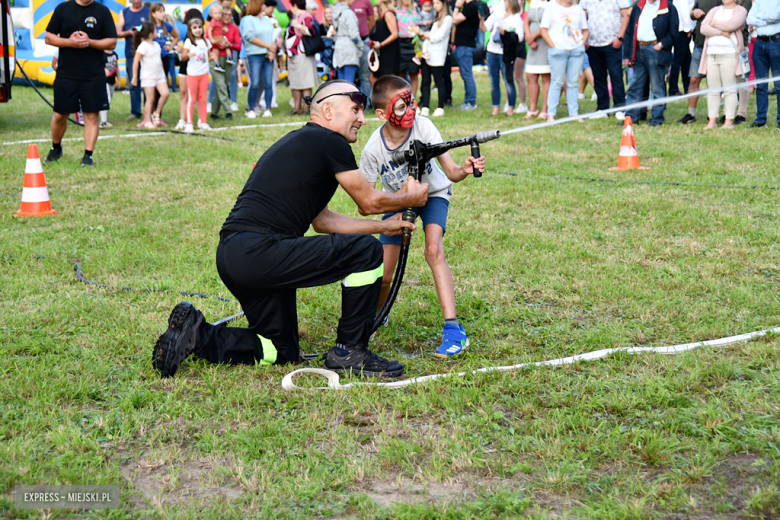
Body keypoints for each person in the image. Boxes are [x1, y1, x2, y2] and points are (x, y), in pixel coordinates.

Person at [152, 80, 430, 380]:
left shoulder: (299, 142)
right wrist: (409, 198)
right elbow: (367, 201)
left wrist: (384, 224)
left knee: (280, 349)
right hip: (261, 252)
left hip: (234, 257)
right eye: (355, 110)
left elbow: (321, 221)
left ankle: (197, 335)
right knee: (367, 251)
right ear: (327, 110)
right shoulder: (329, 141)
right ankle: (350, 350)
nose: (362, 119)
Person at [360, 76, 485, 358]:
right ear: (381, 114)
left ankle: (454, 330)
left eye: (410, 102)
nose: (410, 111)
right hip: (397, 200)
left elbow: (451, 172)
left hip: (433, 194)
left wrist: (465, 169)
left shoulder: (424, 126)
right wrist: (399, 201)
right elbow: (366, 201)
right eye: (401, 107)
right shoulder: (372, 150)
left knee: (433, 250)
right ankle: (379, 314)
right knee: (384, 274)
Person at [43, 0, 117, 167]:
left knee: (92, 116)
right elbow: (48, 37)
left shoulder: (102, 11)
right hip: (66, 73)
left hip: (93, 75)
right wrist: (70, 42)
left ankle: (88, 156)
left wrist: (89, 42)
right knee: (60, 115)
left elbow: (112, 42)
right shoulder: (63, 9)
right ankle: (56, 147)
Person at [623, 0, 679, 127]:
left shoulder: (668, 7)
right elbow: (630, 32)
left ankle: (657, 117)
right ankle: (631, 117)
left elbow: (674, 33)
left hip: (655, 49)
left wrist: (661, 44)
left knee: (657, 85)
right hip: (638, 49)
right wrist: (627, 55)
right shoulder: (638, 6)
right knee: (635, 85)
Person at [698, 0, 747, 129]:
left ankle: (728, 122)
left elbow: (732, 25)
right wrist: (720, 32)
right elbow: (703, 27)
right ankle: (712, 121)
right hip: (712, 54)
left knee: (729, 89)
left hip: (730, 54)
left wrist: (713, 23)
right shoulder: (714, 10)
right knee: (713, 89)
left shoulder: (740, 11)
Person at [580, 0, 631, 119]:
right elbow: (582, 19)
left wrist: (620, 37)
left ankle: (619, 108)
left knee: (616, 76)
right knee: (598, 78)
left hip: (612, 43)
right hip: (593, 44)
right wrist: (583, 40)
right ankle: (602, 108)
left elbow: (625, 16)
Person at [540, 0, 589, 122]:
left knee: (573, 82)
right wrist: (553, 46)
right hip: (558, 50)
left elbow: (585, 30)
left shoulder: (578, 9)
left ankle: (574, 113)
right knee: (557, 81)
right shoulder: (552, 6)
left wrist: (581, 44)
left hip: (576, 50)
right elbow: (543, 29)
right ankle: (551, 114)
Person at [678, 0, 720, 124]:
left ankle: (713, 114)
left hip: (716, 44)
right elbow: (692, 13)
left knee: (714, 81)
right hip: (699, 44)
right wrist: (693, 13)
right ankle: (691, 113)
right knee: (694, 79)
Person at [485, 0, 523, 117]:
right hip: (492, 51)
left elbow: (519, 37)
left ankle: (510, 108)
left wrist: (505, 33)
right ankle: (495, 108)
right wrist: (482, 18)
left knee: (508, 80)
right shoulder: (496, 14)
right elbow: (485, 28)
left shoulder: (516, 18)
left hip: (505, 53)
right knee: (493, 81)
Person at [746, 0, 780, 129]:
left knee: (779, 84)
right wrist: (765, 21)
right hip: (760, 44)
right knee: (761, 84)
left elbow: (775, 17)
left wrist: (759, 18)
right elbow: (750, 19)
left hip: (776, 42)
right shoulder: (759, 1)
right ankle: (761, 120)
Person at [242, 0, 278, 118]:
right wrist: (269, 47)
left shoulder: (267, 20)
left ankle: (268, 108)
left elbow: (272, 36)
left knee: (268, 82)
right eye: (262, 4)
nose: (264, 6)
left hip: (268, 55)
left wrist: (272, 51)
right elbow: (250, 37)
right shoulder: (248, 20)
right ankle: (251, 108)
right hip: (255, 55)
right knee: (255, 82)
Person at [116, 0, 149, 123]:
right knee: (134, 82)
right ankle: (135, 112)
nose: (136, 1)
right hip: (131, 53)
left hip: (148, 53)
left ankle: (149, 110)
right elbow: (118, 32)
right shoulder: (124, 12)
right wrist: (129, 32)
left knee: (148, 83)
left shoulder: (148, 11)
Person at [132, 22, 170, 129]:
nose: (157, 32)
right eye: (155, 30)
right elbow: (136, 61)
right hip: (148, 76)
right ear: (150, 34)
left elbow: (159, 60)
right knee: (150, 99)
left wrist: (163, 74)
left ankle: (156, 113)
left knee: (165, 93)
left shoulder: (157, 45)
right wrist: (135, 76)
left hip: (159, 76)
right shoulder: (143, 46)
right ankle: (147, 120)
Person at [418, 0, 453, 116]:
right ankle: (426, 107)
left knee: (439, 81)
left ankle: (440, 107)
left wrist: (422, 34)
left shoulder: (447, 19)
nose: (435, 6)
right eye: (434, 3)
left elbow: (439, 37)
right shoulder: (434, 17)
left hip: (437, 55)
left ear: (443, 4)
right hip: (426, 54)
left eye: (437, 3)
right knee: (425, 81)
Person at [285, 0, 320, 115]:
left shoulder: (305, 17)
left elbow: (311, 31)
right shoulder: (298, 16)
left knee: (305, 83)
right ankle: (297, 108)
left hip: (303, 53)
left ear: (294, 5)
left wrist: (298, 26)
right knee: (296, 83)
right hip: (295, 54)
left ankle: (305, 109)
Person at [174, 9, 205, 131]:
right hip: (186, 67)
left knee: (195, 95)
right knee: (185, 94)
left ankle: (199, 119)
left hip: (197, 68)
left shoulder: (201, 37)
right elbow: (182, 50)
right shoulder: (188, 36)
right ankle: (183, 119)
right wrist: (183, 51)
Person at [150, 3, 179, 126]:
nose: (163, 13)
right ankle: (148, 116)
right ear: (153, 14)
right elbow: (139, 33)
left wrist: (170, 47)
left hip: (163, 58)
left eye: (163, 11)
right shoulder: (148, 26)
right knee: (150, 88)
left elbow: (177, 36)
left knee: (161, 86)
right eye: (160, 11)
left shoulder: (167, 25)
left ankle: (158, 115)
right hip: (151, 60)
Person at [211, 5, 242, 120]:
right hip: (216, 58)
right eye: (225, 14)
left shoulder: (233, 28)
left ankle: (214, 112)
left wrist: (230, 45)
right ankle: (228, 111)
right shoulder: (214, 25)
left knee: (223, 84)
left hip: (228, 59)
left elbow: (238, 46)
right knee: (221, 84)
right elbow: (208, 39)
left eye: (230, 15)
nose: (227, 17)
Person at [452, 0, 484, 110]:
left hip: (466, 45)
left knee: (467, 75)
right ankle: (468, 101)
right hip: (463, 45)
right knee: (465, 74)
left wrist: (457, 6)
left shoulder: (471, 6)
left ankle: (471, 102)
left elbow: (454, 19)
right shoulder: (469, 6)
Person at [181, 18, 212, 132]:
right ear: (190, 29)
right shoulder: (189, 42)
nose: (198, 30)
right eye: (194, 28)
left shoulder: (206, 42)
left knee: (203, 98)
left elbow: (208, 56)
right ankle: (189, 123)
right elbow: (183, 57)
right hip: (193, 74)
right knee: (192, 99)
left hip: (203, 73)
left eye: (199, 27)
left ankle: (203, 122)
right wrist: (189, 54)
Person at [524, 0, 551, 117]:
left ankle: (545, 109)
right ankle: (533, 108)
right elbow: (526, 22)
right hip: (533, 44)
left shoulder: (553, 3)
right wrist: (529, 37)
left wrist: (533, 37)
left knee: (546, 76)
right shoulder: (533, 2)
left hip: (546, 42)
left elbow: (549, 24)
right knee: (531, 75)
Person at [369, 0, 401, 83]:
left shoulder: (388, 14)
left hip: (388, 52)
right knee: (373, 78)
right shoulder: (381, 14)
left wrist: (381, 45)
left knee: (388, 81)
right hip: (381, 52)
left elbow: (395, 34)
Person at [333, 0, 364, 83]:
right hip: (349, 49)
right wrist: (361, 46)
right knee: (349, 82)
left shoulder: (335, 12)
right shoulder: (349, 13)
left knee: (341, 82)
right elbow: (354, 35)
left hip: (338, 47)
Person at [669, 0, 696, 96]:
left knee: (686, 61)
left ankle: (687, 87)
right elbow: (684, 10)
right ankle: (673, 89)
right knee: (678, 60)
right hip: (682, 29)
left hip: (682, 28)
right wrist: (688, 29)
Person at [351, 0, 375, 104]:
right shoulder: (345, 2)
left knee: (365, 74)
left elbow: (372, 20)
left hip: (364, 41)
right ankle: (351, 102)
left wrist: (365, 32)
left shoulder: (366, 2)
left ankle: (366, 102)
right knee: (350, 75)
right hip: (350, 43)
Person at [396, 0, 421, 96]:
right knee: (401, 73)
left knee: (414, 73)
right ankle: (402, 99)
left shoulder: (417, 10)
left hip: (414, 43)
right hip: (400, 43)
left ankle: (413, 101)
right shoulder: (396, 11)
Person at [99, 48, 118, 128]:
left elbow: (116, 67)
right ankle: (103, 121)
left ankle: (105, 119)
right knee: (107, 99)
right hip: (104, 81)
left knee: (109, 100)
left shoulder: (114, 54)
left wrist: (119, 80)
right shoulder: (101, 54)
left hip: (112, 80)